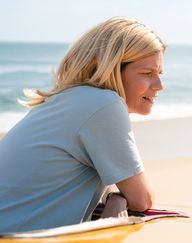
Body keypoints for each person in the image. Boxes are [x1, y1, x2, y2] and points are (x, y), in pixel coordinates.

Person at [0, 17, 165, 233]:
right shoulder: (103, 104)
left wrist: (117, 195)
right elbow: (142, 199)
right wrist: (118, 197)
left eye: (159, 73)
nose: (159, 85)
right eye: (147, 73)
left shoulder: (68, 99)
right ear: (112, 68)